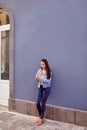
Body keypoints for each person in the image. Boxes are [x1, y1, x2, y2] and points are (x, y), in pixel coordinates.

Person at [35, 59, 52, 126]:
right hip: (40, 88)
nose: (42, 65)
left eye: (43, 64)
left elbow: (49, 82)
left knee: (43, 103)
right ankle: (41, 116)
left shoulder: (49, 72)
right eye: (41, 64)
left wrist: (41, 78)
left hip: (46, 89)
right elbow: (37, 79)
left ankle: (41, 118)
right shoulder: (39, 70)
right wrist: (36, 78)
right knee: (37, 103)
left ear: (46, 64)